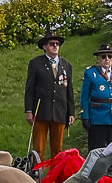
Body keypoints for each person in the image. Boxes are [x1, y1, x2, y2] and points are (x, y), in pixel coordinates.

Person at [23, 31, 74, 161]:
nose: (55, 46)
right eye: (52, 44)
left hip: (60, 111)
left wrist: (71, 112)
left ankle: (54, 178)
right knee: (38, 149)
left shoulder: (66, 65)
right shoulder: (35, 63)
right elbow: (30, 88)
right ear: (44, 46)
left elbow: (69, 89)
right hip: (41, 111)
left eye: (57, 44)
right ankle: (35, 176)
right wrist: (28, 110)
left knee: (58, 150)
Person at [78, 44, 112, 150]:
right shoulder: (90, 73)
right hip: (98, 118)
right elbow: (84, 96)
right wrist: (85, 116)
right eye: (103, 56)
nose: (107, 59)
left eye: (109, 56)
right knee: (96, 150)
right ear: (98, 58)